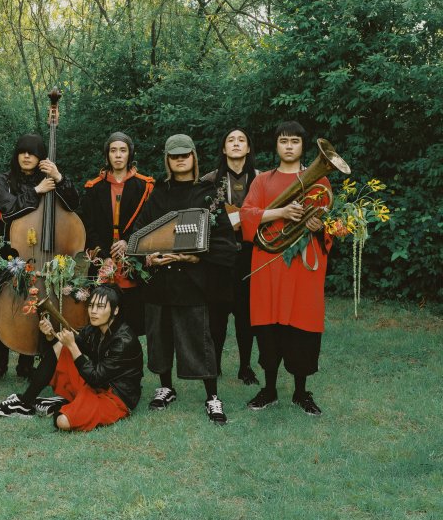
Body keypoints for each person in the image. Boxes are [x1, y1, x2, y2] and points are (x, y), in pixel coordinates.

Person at [134, 133, 237, 424]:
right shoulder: (159, 193)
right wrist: (147, 255)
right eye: (174, 156)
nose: (180, 160)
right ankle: (166, 387)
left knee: (199, 339)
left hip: (193, 281)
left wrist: (194, 257)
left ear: (194, 157)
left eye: (185, 155)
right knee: (160, 336)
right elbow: (142, 232)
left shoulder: (208, 193)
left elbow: (225, 242)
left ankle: (212, 396)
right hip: (160, 280)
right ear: (168, 160)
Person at [240, 121, 331, 416]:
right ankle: (268, 389)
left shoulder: (320, 180)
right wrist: (281, 211)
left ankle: (301, 392)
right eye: (283, 141)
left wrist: (317, 226)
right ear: (276, 145)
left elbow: (328, 225)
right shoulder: (262, 180)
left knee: (301, 323)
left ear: (303, 146)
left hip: (303, 266)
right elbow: (246, 214)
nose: (289, 146)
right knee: (269, 326)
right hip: (269, 263)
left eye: (294, 141)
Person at [0, 133, 80, 382]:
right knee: (4, 307)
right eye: (23, 152)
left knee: (37, 309)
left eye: (33, 152)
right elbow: (9, 209)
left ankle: (27, 363)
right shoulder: (4, 179)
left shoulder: (50, 180)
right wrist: (37, 191)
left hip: (44, 256)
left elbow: (74, 205)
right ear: (17, 155)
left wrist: (59, 179)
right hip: (13, 254)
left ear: (40, 158)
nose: (27, 156)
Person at [0, 284, 143, 431]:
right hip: (97, 386)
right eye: (91, 306)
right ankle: (25, 403)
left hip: (116, 399)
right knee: (61, 347)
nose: (93, 312)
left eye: (100, 307)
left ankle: (60, 405)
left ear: (115, 310)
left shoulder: (124, 341)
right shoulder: (94, 329)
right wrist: (50, 336)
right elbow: (63, 350)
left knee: (62, 421)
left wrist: (73, 347)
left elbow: (95, 377)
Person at [200, 128, 260, 385]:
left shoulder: (261, 178)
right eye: (230, 141)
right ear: (224, 149)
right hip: (218, 258)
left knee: (246, 315)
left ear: (248, 148)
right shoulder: (208, 180)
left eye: (241, 140)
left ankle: (245, 367)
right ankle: (215, 365)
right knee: (217, 314)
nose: (236, 144)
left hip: (251, 254)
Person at [81, 131, 154, 336]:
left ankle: (129, 364)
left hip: (131, 262)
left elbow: (149, 224)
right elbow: (89, 227)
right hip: (103, 261)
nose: (118, 155)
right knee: (100, 321)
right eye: (113, 150)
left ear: (130, 154)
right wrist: (104, 257)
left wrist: (129, 243)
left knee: (133, 322)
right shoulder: (94, 188)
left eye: (123, 150)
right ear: (107, 156)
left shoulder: (145, 186)